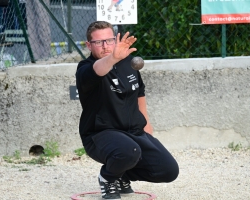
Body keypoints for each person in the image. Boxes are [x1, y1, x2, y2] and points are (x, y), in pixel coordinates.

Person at [76, 21, 179, 200]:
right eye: (98, 42)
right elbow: (98, 70)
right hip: (100, 134)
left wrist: (146, 122)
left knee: (168, 170)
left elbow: (139, 91)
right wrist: (113, 58)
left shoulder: (127, 64)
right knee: (128, 151)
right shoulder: (85, 68)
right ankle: (108, 178)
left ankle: (121, 174)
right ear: (88, 45)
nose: (105, 46)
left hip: (133, 131)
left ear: (115, 40)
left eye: (109, 40)